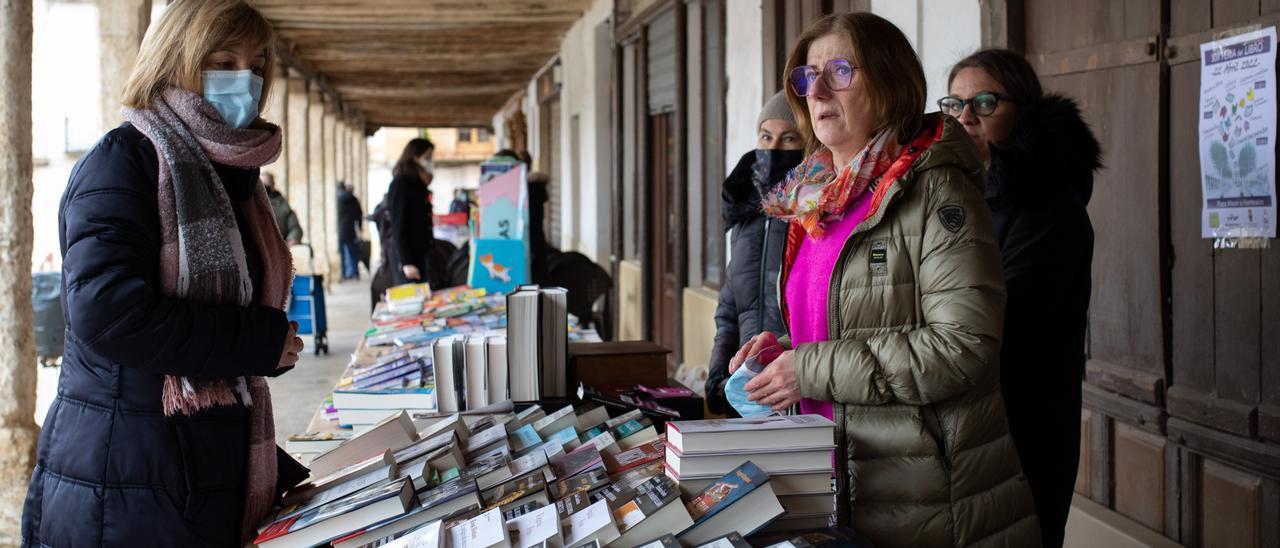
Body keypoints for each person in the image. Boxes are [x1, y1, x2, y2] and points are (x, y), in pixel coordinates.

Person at [733, 13, 1040, 546]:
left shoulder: (936, 191)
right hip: (835, 481)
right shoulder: (814, 201)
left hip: (926, 498)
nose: (819, 90)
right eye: (808, 76)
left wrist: (809, 367)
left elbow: (964, 346)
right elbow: (853, 324)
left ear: (891, 82)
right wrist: (783, 352)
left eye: (841, 71)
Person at [22, 1, 308, 545]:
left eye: (257, 64)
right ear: (175, 60)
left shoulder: (232, 176)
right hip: (125, 476)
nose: (243, 80)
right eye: (221, 62)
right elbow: (106, 313)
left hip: (191, 475)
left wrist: (264, 347)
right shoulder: (124, 160)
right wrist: (253, 343)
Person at [943, 49, 1100, 548]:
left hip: (1025, 417)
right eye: (954, 104)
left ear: (1023, 109)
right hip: (972, 420)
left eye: (984, 103)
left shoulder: (1047, 206)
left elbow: (995, 321)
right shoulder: (964, 192)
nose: (965, 117)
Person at [704, 91, 805, 416]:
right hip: (747, 388)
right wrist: (720, 370)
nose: (773, 149)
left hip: (797, 388)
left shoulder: (816, 214)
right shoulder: (746, 211)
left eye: (789, 138)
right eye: (766, 136)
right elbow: (730, 306)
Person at [386, 138, 436, 286]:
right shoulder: (401, 184)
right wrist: (406, 262)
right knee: (410, 302)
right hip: (408, 257)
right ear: (414, 156)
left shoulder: (417, 183)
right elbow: (398, 225)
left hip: (419, 253)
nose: (430, 161)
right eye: (427, 157)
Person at [261, 172, 302, 245]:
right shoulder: (250, 202)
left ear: (273, 185)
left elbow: (294, 227)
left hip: (277, 246)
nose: (264, 188)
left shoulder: (283, 205)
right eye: (261, 185)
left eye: (266, 185)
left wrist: (292, 239)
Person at [337, 180, 363, 280]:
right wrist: (359, 228)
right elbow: (359, 215)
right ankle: (355, 273)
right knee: (353, 253)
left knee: (343, 254)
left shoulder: (339, 199)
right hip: (351, 229)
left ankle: (344, 274)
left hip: (341, 230)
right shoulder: (354, 199)